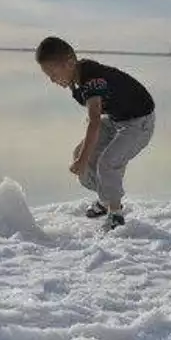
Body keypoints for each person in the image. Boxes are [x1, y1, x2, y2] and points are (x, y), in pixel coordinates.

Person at [35, 36, 156, 231]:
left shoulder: (91, 80)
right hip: (118, 119)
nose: (51, 80)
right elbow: (96, 116)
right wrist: (82, 157)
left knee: (107, 162)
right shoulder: (76, 77)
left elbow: (94, 121)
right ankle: (105, 199)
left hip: (139, 123)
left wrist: (83, 160)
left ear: (69, 63)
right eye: (47, 75)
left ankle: (116, 214)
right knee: (80, 153)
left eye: (53, 73)